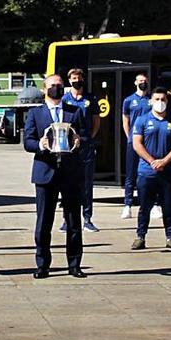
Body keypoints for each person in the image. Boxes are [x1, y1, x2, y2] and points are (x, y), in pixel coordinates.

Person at [23, 74, 86, 279]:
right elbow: (28, 141)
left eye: (60, 86)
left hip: (70, 172)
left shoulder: (74, 111)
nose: (56, 89)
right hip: (45, 172)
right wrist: (39, 146)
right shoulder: (35, 113)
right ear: (44, 89)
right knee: (44, 222)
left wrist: (79, 141)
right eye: (52, 86)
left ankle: (74, 264)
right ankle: (42, 264)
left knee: (73, 221)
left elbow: (85, 137)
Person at [130, 87, 171, 251]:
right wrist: (152, 161)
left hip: (167, 171)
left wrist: (165, 161)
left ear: (167, 102)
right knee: (144, 207)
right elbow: (136, 144)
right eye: (157, 99)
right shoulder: (141, 120)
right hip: (146, 172)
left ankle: (170, 237)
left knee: (168, 206)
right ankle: (140, 237)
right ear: (150, 102)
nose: (160, 103)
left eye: (163, 100)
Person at [61, 68, 101, 232]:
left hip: (85, 144)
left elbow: (96, 121)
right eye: (73, 78)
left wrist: (89, 137)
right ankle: (67, 219)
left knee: (86, 184)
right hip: (68, 145)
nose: (76, 80)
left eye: (79, 78)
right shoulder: (64, 99)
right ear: (69, 80)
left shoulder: (90, 99)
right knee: (68, 184)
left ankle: (87, 218)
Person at [120, 72, 152, 219]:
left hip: (148, 142)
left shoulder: (151, 100)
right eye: (140, 80)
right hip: (133, 142)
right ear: (135, 82)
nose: (142, 83)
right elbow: (125, 119)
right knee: (130, 174)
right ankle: (127, 204)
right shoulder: (129, 100)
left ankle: (152, 204)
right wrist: (129, 137)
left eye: (144, 80)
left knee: (149, 173)